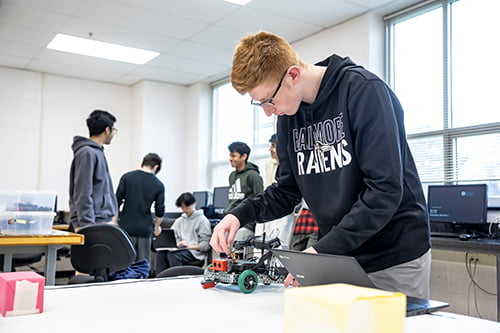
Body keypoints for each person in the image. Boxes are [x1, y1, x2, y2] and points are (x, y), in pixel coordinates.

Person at [210, 31, 431, 299]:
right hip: (337, 255)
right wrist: (239, 214)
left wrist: (322, 251)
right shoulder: (288, 117)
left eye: (269, 100)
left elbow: (384, 192)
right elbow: (286, 191)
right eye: (259, 103)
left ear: (293, 75)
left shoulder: (364, 91)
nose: (268, 111)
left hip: (392, 253)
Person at [69, 109, 118, 231]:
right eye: (114, 130)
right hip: (90, 223)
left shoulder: (97, 152)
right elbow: (83, 191)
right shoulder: (87, 153)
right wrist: (87, 226)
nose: (113, 134)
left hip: (99, 220)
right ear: (107, 130)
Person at [115, 153, 165, 261]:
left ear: (143, 163)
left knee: (125, 262)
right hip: (145, 228)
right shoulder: (158, 185)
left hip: (126, 226)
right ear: (156, 167)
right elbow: (160, 211)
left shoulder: (127, 177)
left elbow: (116, 201)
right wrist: (157, 227)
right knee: (143, 263)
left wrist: (114, 221)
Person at [155, 192, 211, 274]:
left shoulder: (202, 221)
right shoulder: (179, 221)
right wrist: (174, 244)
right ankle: (159, 279)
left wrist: (189, 246)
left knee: (174, 256)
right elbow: (172, 236)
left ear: (194, 204)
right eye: (182, 207)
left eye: (187, 207)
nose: (185, 210)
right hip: (180, 249)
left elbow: (206, 245)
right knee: (161, 254)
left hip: (195, 252)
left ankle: (176, 280)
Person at [225, 141, 264, 242]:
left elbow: (260, 200)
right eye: (230, 155)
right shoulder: (232, 176)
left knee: (236, 248)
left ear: (244, 156)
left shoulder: (253, 175)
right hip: (231, 219)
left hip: (246, 224)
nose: (230, 159)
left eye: (234, 156)